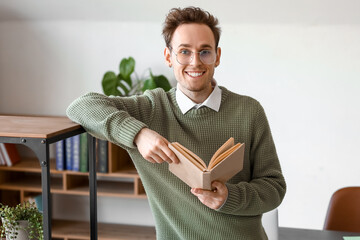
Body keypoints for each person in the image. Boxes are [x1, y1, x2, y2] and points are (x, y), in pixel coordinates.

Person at [66, 6, 286, 240]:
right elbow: (80, 106)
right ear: (169, 57)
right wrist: (139, 134)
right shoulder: (151, 109)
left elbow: (274, 188)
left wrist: (229, 197)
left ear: (217, 56)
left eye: (205, 52)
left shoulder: (249, 111)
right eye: (184, 51)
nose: (195, 62)